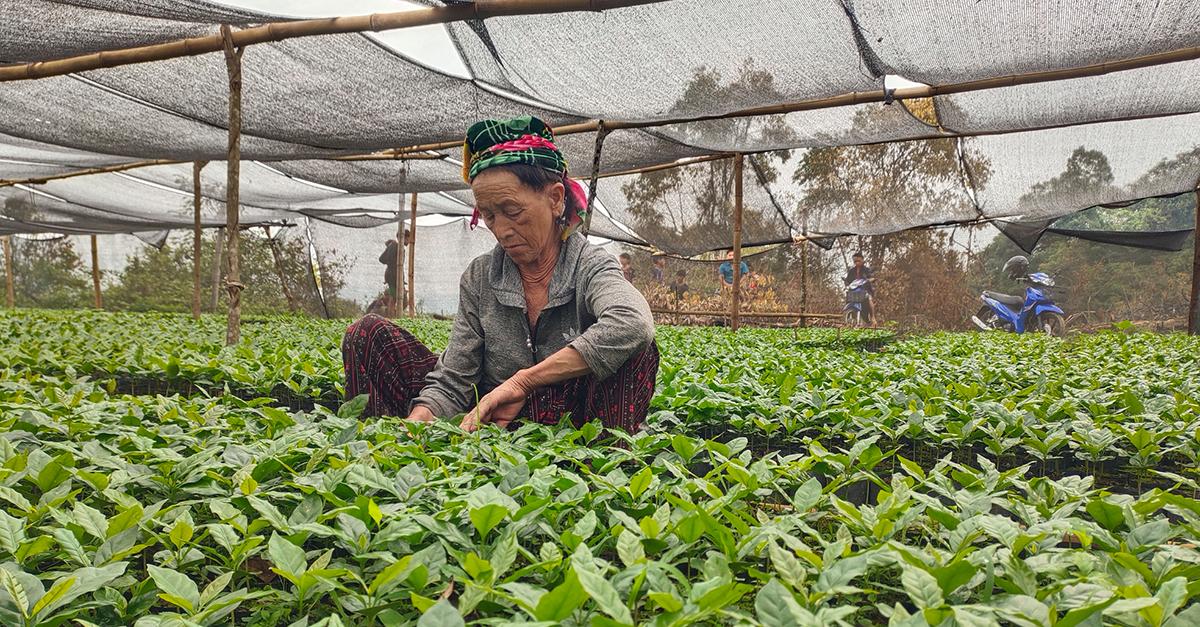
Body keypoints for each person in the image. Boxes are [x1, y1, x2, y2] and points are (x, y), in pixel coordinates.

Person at [342, 115, 658, 433]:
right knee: (366, 335)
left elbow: (632, 322)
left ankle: (600, 466)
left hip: (571, 420)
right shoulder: (480, 276)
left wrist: (524, 382)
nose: (502, 230)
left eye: (512, 211)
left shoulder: (589, 265)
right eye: (490, 215)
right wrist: (421, 417)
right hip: (491, 415)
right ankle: (381, 453)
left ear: (555, 198)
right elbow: (455, 379)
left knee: (633, 349)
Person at [843, 252, 875, 322]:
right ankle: (849, 315)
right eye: (855, 261)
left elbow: (872, 277)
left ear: (862, 260)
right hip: (854, 290)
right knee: (848, 297)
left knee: (869, 299)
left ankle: (873, 317)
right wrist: (846, 284)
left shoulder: (866, 270)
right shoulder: (851, 271)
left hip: (865, 289)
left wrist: (869, 280)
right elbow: (848, 280)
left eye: (858, 261)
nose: (857, 263)